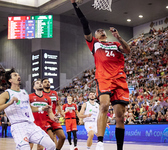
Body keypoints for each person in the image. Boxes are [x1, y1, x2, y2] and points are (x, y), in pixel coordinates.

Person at [70, 1, 131, 150]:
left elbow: (128, 51)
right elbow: (84, 23)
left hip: (119, 79)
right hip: (104, 78)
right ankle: (101, 142)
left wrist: (119, 37)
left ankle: (119, 148)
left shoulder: (115, 44)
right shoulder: (94, 43)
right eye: (98, 31)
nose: (101, 31)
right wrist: (75, 5)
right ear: (95, 35)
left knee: (120, 117)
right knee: (103, 105)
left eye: (103, 30)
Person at [0, 68, 56, 150]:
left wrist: (42, 109)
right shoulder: (6, 94)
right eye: (15, 75)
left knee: (51, 145)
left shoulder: (24, 92)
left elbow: (29, 108)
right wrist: (9, 103)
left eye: (18, 75)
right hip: (18, 126)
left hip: (31, 125)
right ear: (10, 80)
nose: (18, 76)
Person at [29, 78, 59, 150]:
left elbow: (50, 113)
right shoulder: (29, 97)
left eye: (40, 83)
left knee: (40, 146)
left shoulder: (47, 98)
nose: (39, 84)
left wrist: (53, 118)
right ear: (34, 87)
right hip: (32, 124)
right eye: (37, 83)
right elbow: (28, 110)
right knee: (29, 145)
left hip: (43, 124)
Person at [42, 78, 66, 150]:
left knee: (62, 137)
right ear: (42, 84)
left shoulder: (54, 93)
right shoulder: (41, 94)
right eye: (45, 82)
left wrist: (61, 112)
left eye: (48, 82)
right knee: (51, 139)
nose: (47, 83)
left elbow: (58, 104)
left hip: (53, 118)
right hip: (45, 118)